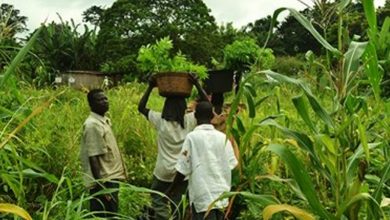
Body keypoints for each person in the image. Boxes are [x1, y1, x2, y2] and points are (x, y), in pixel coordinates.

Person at [138, 74, 208, 220]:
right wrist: (196, 84)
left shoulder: (160, 121)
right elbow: (207, 106)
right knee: (179, 203)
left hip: (162, 171)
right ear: (183, 107)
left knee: (157, 198)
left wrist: (151, 86)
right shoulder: (189, 121)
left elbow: (141, 107)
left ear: (166, 106)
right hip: (181, 173)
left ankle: (162, 217)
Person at [168, 101, 238, 220]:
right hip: (221, 195)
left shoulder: (192, 138)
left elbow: (183, 168)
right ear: (212, 116)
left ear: (195, 116)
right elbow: (232, 164)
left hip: (202, 196)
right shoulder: (222, 138)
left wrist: (172, 189)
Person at [80, 89, 127, 218]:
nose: (104, 102)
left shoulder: (103, 121)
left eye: (105, 98)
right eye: (100, 100)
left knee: (111, 213)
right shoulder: (92, 125)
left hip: (110, 177)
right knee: (104, 214)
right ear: (91, 104)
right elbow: (93, 157)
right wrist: (102, 187)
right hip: (104, 179)